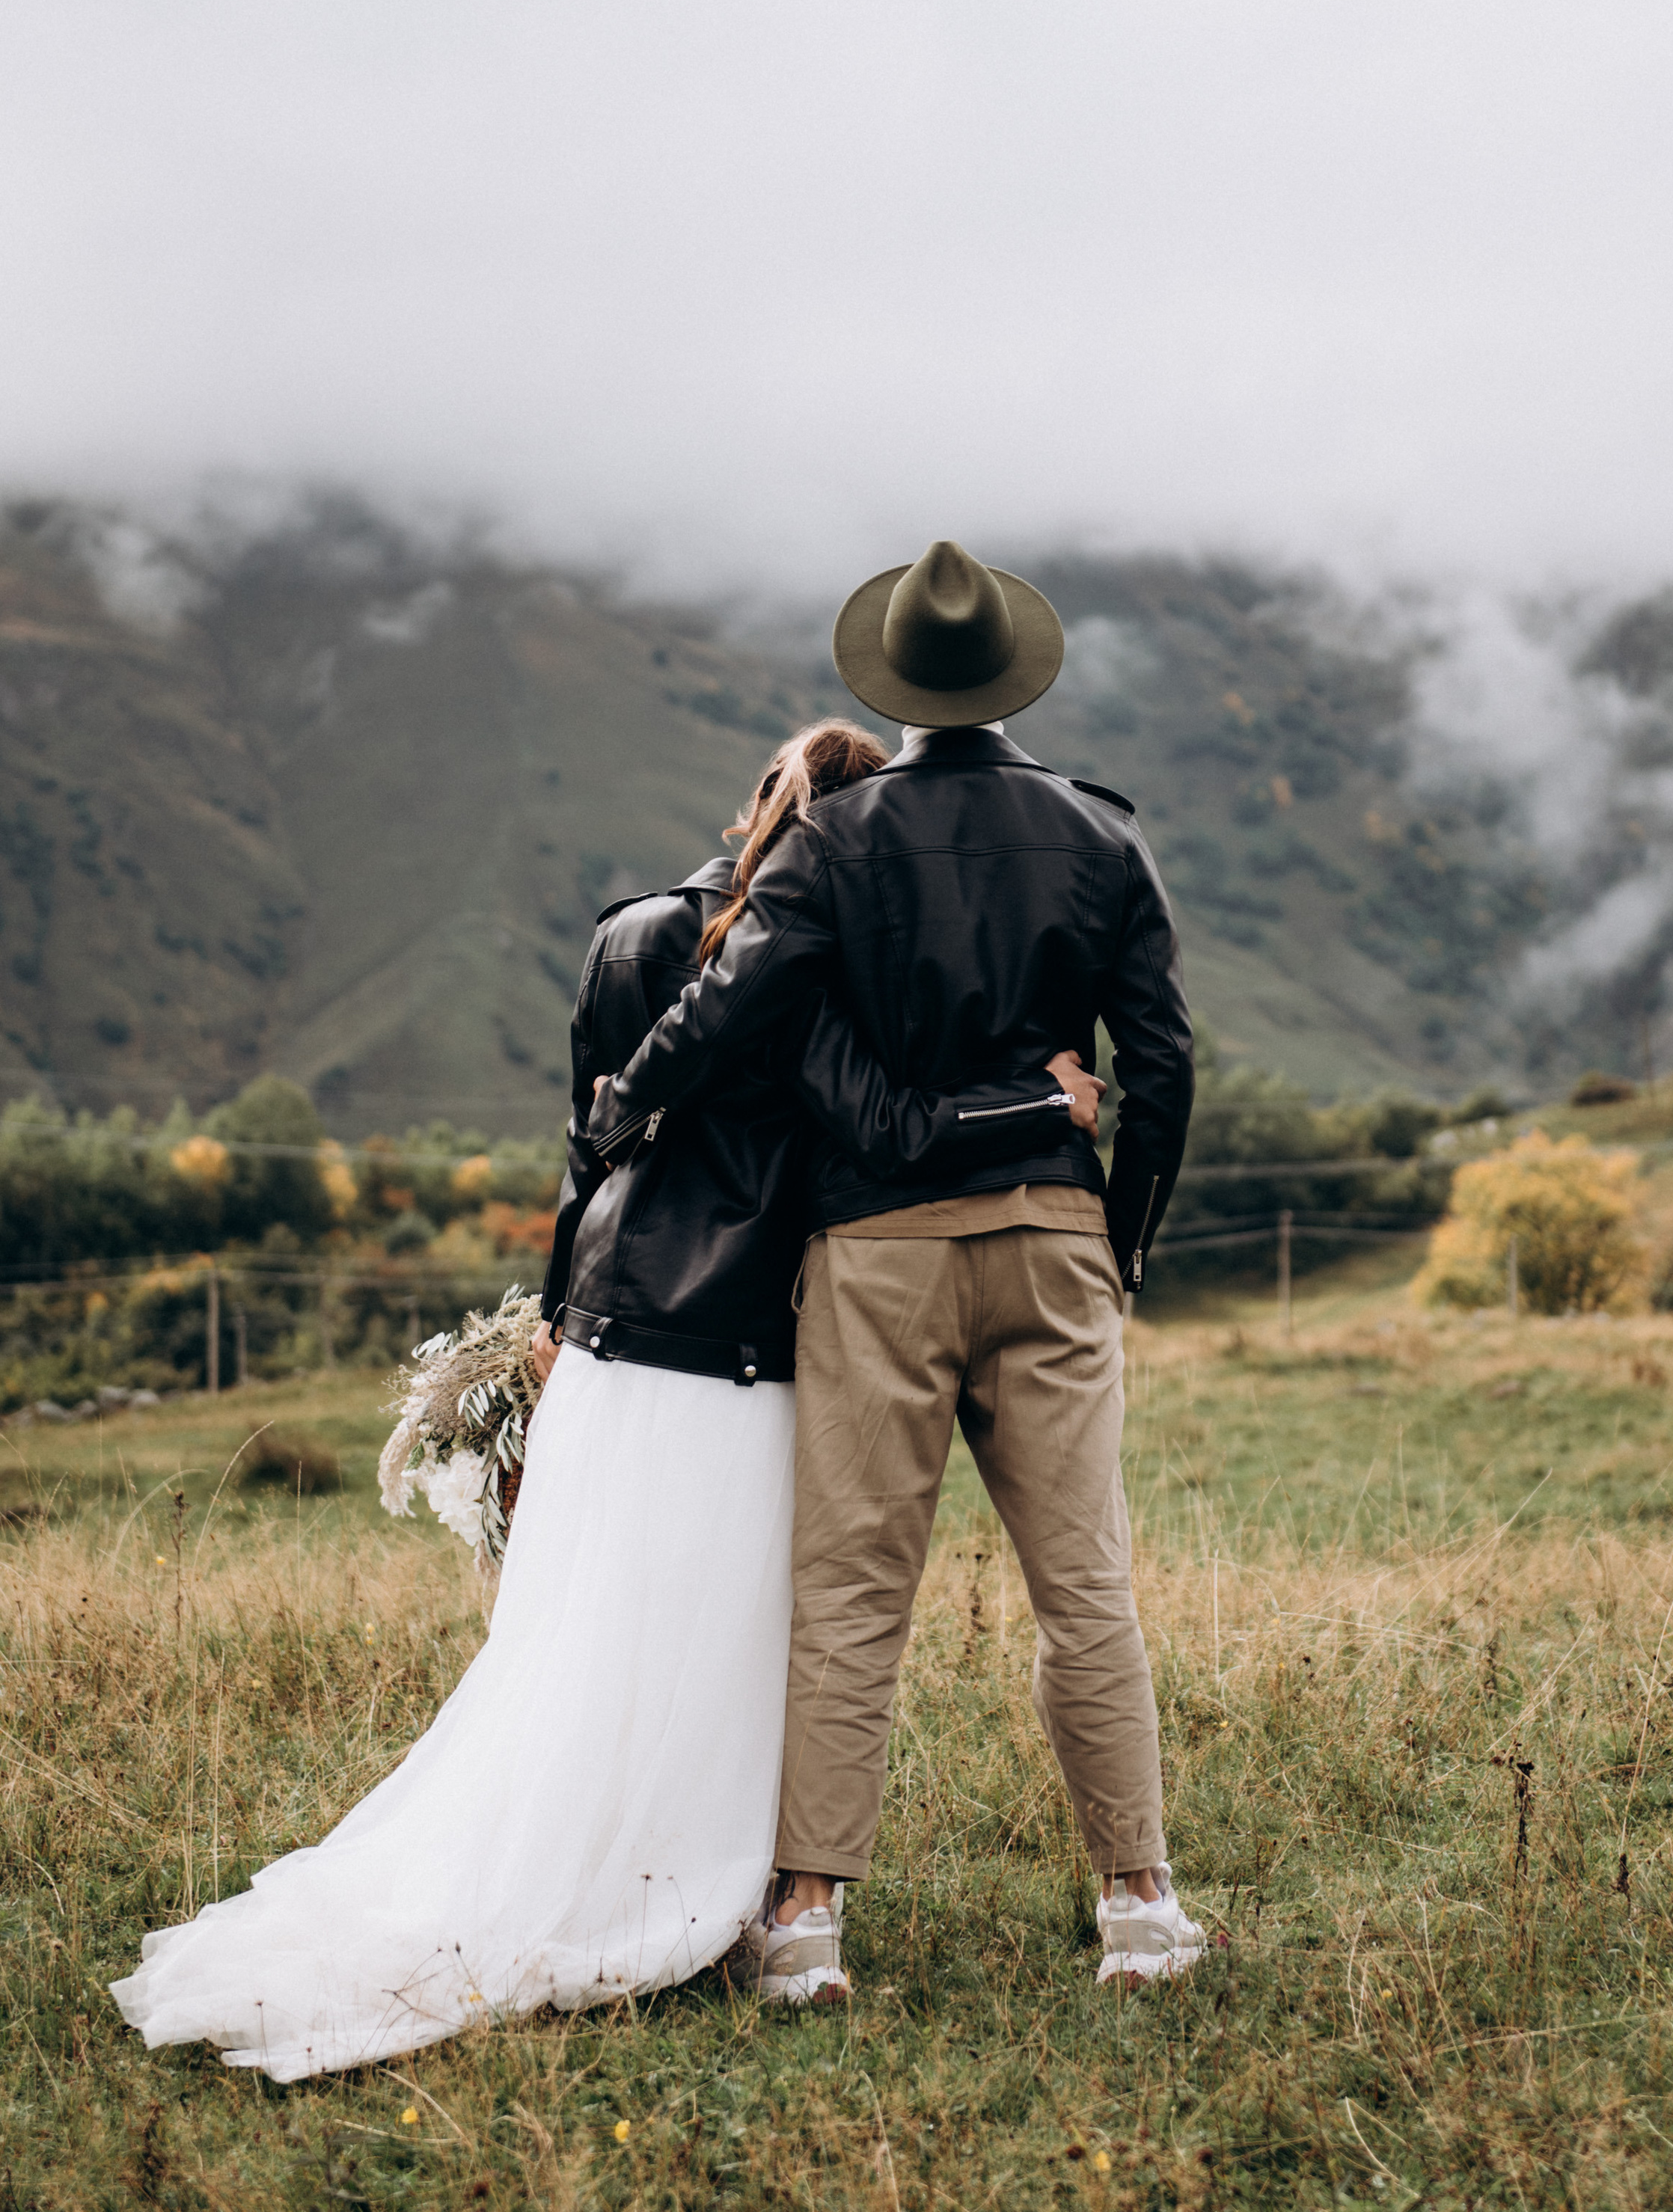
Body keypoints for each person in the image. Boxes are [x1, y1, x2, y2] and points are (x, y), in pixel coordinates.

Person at [110, 719, 1091, 2080]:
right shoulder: (805, 964)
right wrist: (1041, 1108)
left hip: (608, 1347)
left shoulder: (627, 932)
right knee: (730, 1645)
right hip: (740, 1352)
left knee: (583, 1639)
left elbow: (588, 1144)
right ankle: (695, 1901)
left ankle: (592, 1865)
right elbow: (881, 1131)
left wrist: (551, 1328)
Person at [587, 542, 1203, 2001]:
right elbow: (1161, 1066)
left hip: (873, 1255)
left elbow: (731, 1003)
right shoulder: (1101, 836)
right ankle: (1137, 1901)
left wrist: (630, 1090)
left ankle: (805, 1924)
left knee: (852, 1587)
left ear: (893, 684)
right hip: (1049, 1239)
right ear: (1014, 676)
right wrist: (1114, 1244)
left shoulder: (837, 836)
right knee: (1085, 1584)